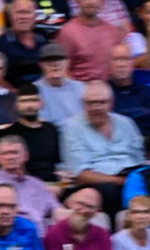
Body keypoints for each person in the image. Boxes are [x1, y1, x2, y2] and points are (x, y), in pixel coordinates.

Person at [61, 81, 144, 214]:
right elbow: (81, 175)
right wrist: (119, 181)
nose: (96, 107)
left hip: (129, 176)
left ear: (111, 103)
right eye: (91, 103)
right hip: (98, 183)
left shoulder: (126, 123)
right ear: (83, 104)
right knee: (109, 190)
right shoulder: (72, 127)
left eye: (102, 102)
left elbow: (140, 160)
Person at [45, 182, 112, 250]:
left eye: (90, 207)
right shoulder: (54, 232)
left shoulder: (103, 235)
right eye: (80, 203)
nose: (83, 210)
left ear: (97, 211)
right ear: (70, 203)